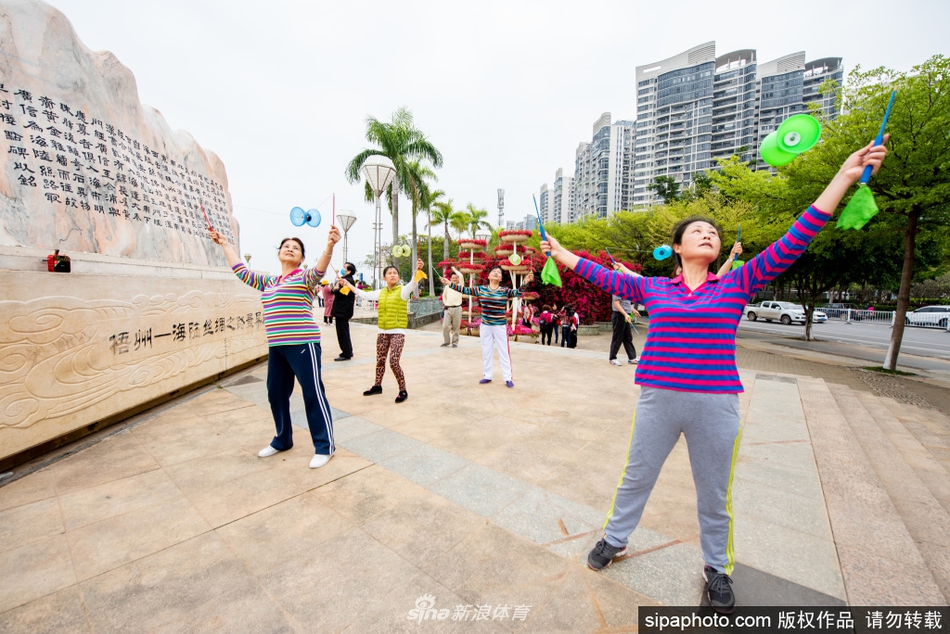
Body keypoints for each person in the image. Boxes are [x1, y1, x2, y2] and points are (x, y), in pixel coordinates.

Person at [540, 139, 888, 614]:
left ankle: (717, 569)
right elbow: (602, 276)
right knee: (636, 476)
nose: (707, 234)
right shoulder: (654, 287)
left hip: (716, 401)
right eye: (697, 231)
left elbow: (797, 236)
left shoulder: (737, 282)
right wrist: (559, 253)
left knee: (714, 492)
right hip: (659, 397)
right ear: (679, 247)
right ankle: (616, 538)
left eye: (713, 232)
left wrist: (844, 178)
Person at [209, 227, 341, 469]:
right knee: (275, 394)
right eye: (285, 246)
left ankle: (325, 446)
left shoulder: (304, 277)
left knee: (312, 394)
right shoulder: (269, 281)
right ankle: (283, 439)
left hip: (303, 344)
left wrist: (330, 246)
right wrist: (225, 244)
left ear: (301, 257)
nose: (289, 249)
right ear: (279, 253)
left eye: (296, 248)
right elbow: (241, 272)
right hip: (277, 346)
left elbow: (320, 269)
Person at [343, 259, 424, 403]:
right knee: (380, 360)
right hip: (382, 332)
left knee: (393, 361)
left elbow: (413, 283)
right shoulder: (381, 292)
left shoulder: (403, 291)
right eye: (389, 273)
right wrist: (348, 284)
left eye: (395, 273)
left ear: (398, 277)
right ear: (384, 277)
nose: (392, 275)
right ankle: (377, 386)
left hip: (398, 332)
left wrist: (417, 270)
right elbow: (363, 295)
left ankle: (402, 390)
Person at [441, 265, 533, 388]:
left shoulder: (504, 291)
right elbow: (465, 290)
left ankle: (507, 377)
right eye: (493, 271)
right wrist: (450, 283)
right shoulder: (481, 289)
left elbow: (517, 293)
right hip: (485, 326)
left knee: (504, 352)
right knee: (486, 351)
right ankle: (487, 375)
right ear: (489, 276)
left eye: (498, 272)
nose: (496, 273)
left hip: (500, 326)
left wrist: (525, 282)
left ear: (500, 279)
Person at [331, 262, 357, 361]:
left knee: (343, 333)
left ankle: (346, 353)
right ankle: (347, 350)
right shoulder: (344, 280)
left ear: (349, 270)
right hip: (342, 311)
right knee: (343, 332)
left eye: (344, 267)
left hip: (343, 311)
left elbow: (341, 293)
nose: (342, 269)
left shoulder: (348, 281)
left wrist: (337, 288)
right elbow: (335, 291)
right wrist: (337, 286)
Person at [609, 293, 640, 365]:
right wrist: (625, 314)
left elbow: (626, 304)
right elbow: (617, 304)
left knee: (628, 337)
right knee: (617, 337)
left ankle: (632, 357)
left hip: (626, 316)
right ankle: (612, 358)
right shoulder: (617, 290)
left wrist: (633, 310)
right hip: (619, 315)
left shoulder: (625, 290)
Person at [441, 271, 464, 348]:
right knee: (445, 326)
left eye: (456, 278)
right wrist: (445, 303)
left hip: (457, 308)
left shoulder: (460, 286)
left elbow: (461, 275)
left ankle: (455, 342)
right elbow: (444, 296)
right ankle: (446, 341)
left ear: (458, 279)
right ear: (450, 279)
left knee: (456, 327)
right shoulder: (447, 287)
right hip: (448, 308)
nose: (454, 279)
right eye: (453, 278)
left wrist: (454, 269)